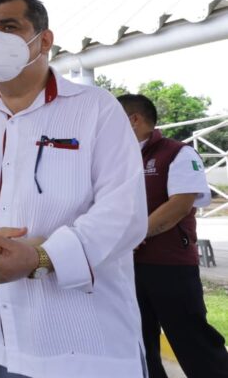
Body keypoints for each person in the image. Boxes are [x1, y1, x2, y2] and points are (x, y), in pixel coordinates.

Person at [0, 0, 148, 378]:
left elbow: (124, 211)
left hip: (83, 341)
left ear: (44, 40)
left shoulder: (95, 108)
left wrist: (41, 258)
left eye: (9, 27)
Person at [119, 93, 228, 377]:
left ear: (134, 120)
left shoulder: (177, 153)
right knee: (139, 343)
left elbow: (180, 204)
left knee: (192, 340)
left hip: (169, 266)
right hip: (127, 267)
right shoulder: (116, 158)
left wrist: (134, 235)